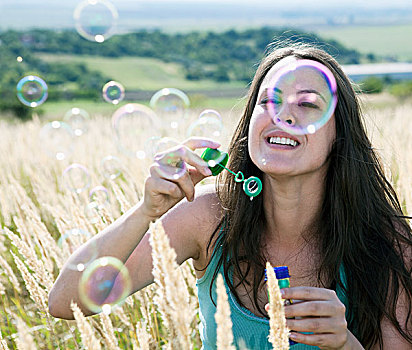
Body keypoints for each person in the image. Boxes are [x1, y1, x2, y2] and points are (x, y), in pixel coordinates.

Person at [48, 44, 412, 350]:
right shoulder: (209, 216)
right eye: (268, 100)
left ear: (339, 134)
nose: (281, 116)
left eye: (306, 104)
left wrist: (345, 344)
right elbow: (65, 302)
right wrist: (147, 211)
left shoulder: (389, 244)